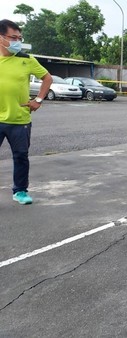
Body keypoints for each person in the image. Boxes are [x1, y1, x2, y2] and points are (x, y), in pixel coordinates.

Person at [0, 19, 53, 205]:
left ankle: (20, 191)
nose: (17, 41)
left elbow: (47, 78)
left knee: (21, 156)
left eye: (19, 38)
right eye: (13, 37)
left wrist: (38, 100)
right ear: (1, 38)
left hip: (19, 119)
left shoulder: (26, 59)